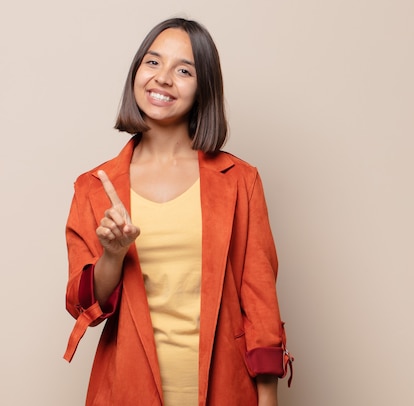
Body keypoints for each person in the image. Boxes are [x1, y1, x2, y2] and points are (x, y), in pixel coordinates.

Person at [63, 17, 293, 406]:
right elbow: (84, 306)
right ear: (136, 72)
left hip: (225, 389)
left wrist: (267, 398)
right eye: (152, 63)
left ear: (204, 87)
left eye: (183, 69)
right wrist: (113, 254)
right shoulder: (95, 187)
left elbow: (260, 303)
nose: (163, 78)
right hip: (125, 388)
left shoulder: (240, 180)